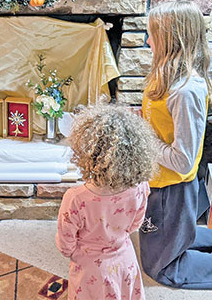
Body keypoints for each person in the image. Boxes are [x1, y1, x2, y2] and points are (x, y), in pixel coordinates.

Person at [139, 0, 212, 289]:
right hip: (158, 181)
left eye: (152, 35)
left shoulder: (186, 91)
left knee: (164, 269)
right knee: (164, 242)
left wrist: (144, 139)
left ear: (172, 40)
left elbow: (183, 160)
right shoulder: (165, 76)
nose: (147, 41)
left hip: (172, 188)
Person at [56, 104, 159, 300]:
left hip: (90, 268)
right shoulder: (140, 186)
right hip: (124, 260)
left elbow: (65, 243)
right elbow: (135, 224)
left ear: (87, 152)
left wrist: (73, 253)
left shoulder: (76, 198)